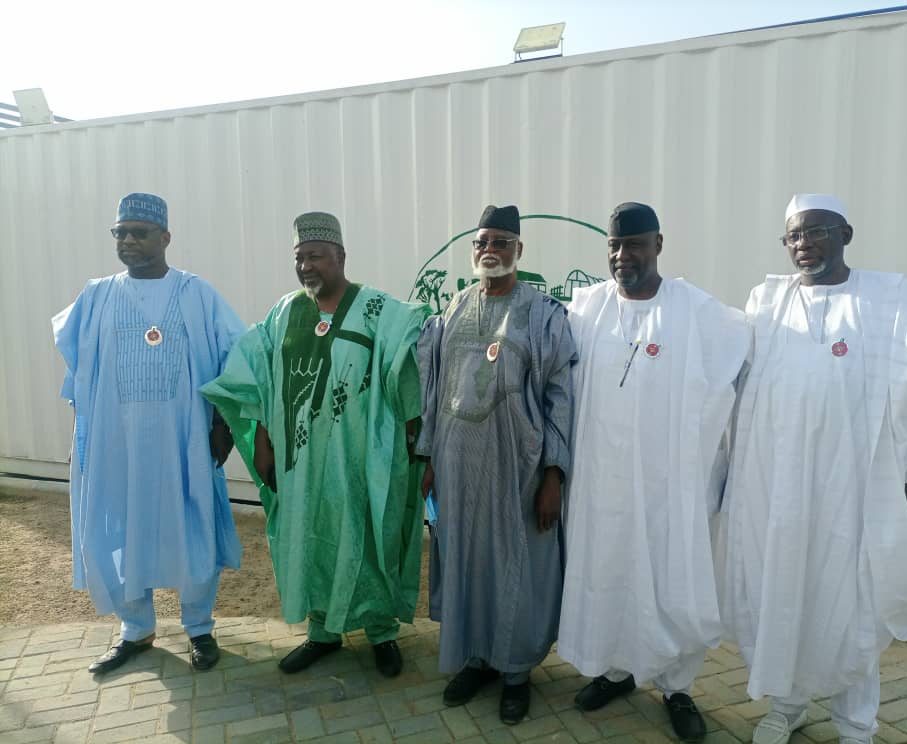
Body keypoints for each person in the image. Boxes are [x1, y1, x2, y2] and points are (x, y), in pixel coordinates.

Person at [718, 194, 907, 744]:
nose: (804, 244)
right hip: (778, 484)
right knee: (782, 587)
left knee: (852, 599)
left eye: (816, 232)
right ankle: (787, 705)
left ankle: (856, 723)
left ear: (845, 234)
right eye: (794, 236)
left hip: (854, 486)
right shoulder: (766, 301)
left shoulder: (888, 299)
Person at [201, 211, 427, 678]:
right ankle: (322, 630)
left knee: (368, 536)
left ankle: (381, 631)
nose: (306, 266)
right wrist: (262, 440)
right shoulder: (285, 312)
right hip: (299, 462)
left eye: (317, 256)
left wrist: (414, 437)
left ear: (340, 256)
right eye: (299, 257)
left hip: (360, 458)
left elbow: (410, 354)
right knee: (309, 535)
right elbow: (258, 375)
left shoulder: (376, 309)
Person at [557, 202, 749, 742]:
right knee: (608, 570)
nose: (623, 256)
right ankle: (616, 670)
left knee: (670, 577)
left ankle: (677, 688)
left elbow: (747, 360)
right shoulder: (586, 308)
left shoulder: (697, 311)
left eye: (635, 245)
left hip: (669, 485)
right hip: (602, 483)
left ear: (658, 245)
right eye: (615, 247)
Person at [52, 192, 244, 674]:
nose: (128, 240)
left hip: (185, 439)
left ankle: (199, 627)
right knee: (121, 526)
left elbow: (236, 357)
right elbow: (80, 375)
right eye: (120, 232)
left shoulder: (196, 293)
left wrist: (223, 424)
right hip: (116, 444)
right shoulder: (96, 296)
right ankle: (136, 629)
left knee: (195, 522)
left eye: (139, 232)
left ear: (165, 237)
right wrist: (81, 438)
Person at [417, 204, 576, 724]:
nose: (490, 250)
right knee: (467, 559)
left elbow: (560, 397)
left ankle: (516, 673)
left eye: (501, 242)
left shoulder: (542, 314)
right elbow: (433, 390)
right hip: (459, 468)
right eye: (482, 241)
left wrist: (553, 474)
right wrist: (429, 458)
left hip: (518, 470)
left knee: (516, 565)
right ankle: (477, 659)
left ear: (519, 250)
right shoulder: (454, 309)